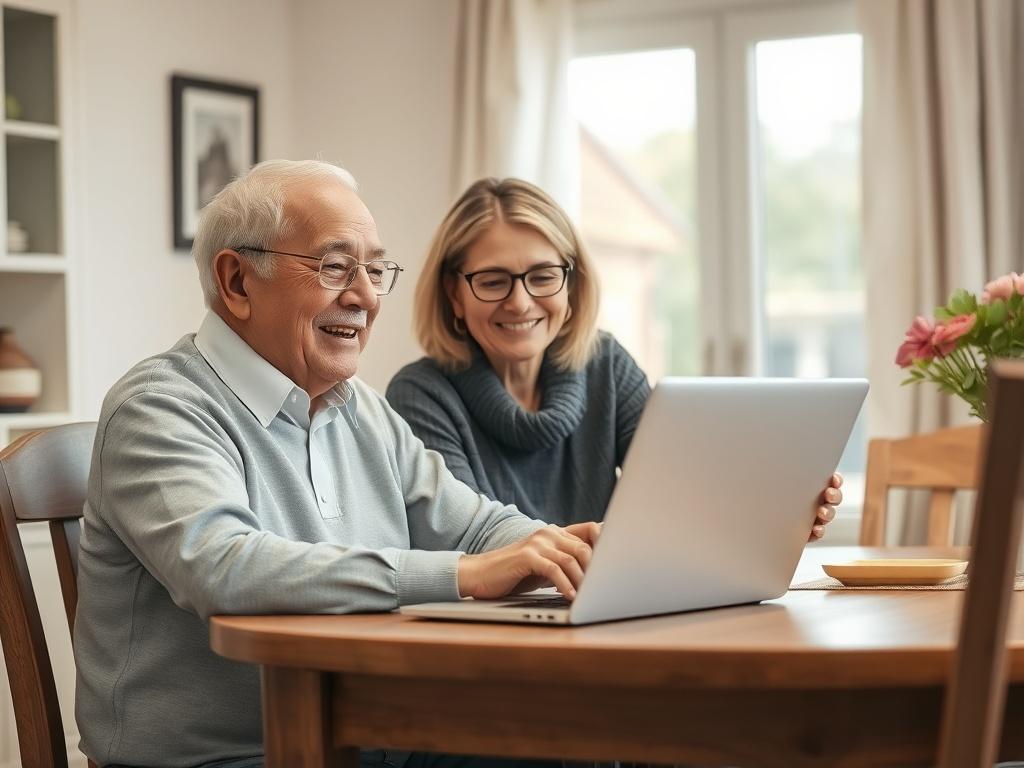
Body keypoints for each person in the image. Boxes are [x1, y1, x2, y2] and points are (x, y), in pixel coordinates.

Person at [73, 160, 598, 768]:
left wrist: (566, 552)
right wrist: (463, 575)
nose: (367, 297)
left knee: (574, 743)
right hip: (233, 759)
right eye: (334, 267)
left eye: (374, 270)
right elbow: (222, 567)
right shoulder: (160, 407)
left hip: (368, 739)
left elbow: (477, 528)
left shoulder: (359, 408)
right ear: (237, 281)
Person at [386, 177, 843, 531]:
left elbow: (681, 493)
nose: (521, 303)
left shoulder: (604, 364)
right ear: (454, 294)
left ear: (572, 284)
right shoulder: (421, 396)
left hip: (609, 606)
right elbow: (471, 539)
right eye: (492, 281)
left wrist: (771, 519)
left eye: (543, 276)